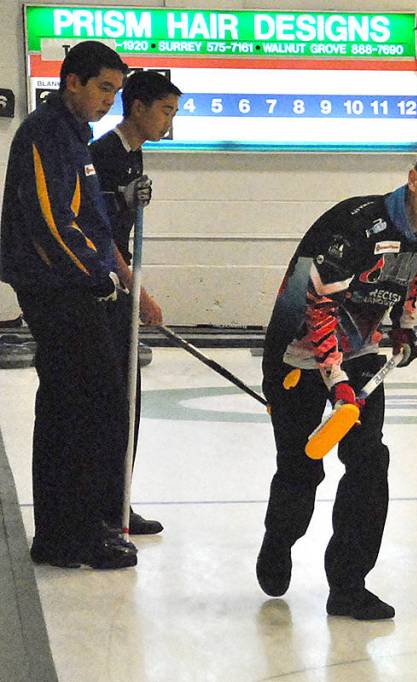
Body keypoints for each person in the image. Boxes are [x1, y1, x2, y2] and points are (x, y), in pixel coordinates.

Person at [257, 141, 417, 620]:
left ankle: (348, 586)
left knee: (369, 464)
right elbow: (319, 310)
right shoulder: (354, 226)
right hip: (296, 355)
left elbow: (407, 276)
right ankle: (279, 541)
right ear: (414, 179)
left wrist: (402, 325)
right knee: (301, 469)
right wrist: (335, 382)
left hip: (358, 354)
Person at [0, 41, 136, 569]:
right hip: (56, 289)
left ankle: (74, 529)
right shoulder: (45, 132)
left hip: (77, 287)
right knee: (84, 403)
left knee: (80, 405)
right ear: (72, 81)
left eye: (116, 91)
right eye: (103, 87)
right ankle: (67, 535)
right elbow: (48, 219)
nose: (109, 100)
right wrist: (95, 272)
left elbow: (87, 219)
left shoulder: (76, 138)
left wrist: (108, 269)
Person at [90, 69, 181, 536]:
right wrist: (137, 290)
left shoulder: (136, 156)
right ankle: (103, 510)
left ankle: (119, 502)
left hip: (120, 285)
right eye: (165, 111)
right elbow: (102, 236)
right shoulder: (104, 155)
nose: (169, 121)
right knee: (113, 399)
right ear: (139, 106)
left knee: (131, 398)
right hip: (104, 289)